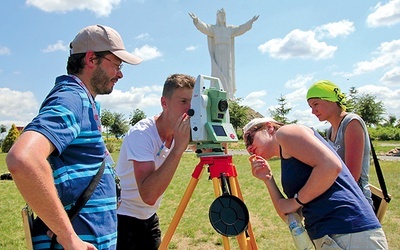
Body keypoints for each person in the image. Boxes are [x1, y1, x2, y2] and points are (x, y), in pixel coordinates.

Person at [6, 24, 142, 249]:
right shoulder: (72, 98)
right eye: (116, 64)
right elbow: (23, 158)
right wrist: (69, 237)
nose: (120, 73)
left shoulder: (84, 100)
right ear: (91, 59)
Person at [243, 117, 388, 249]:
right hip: (331, 235)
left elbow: (331, 166)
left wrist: (296, 201)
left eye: (250, 138)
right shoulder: (289, 159)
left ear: (269, 127)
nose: (249, 148)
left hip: (348, 231)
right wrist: (268, 179)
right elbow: (291, 216)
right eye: (245, 145)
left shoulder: (286, 132)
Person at [115, 73, 195, 250]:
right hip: (123, 220)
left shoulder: (181, 130)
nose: (190, 109)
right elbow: (149, 195)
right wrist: (178, 149)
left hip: (149, 218)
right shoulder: (142, 134)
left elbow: (210, 151)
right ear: (164, 103)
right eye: (183, 101)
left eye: (193, 102)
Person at [306, 80, 373, 206]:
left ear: (331, 99)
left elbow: (352, 175)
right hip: (342, 197)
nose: (313, 111)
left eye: (316, 104)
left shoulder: (351, 123)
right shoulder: (330, 130)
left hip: (356, 202)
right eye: (311, 107)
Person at [189, 9, 259, 99]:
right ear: (217, 17)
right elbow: (204, 27)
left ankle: (228, 96)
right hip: (218, 53)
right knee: (217, 73)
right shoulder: (214, 29)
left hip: (227, 55)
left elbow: (241, 29)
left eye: (224, 16)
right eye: (221, 16)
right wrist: (196, 20)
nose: (222, 18)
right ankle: (218, 94)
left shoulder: (229, 29)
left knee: (228, 75)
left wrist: (250, 22)